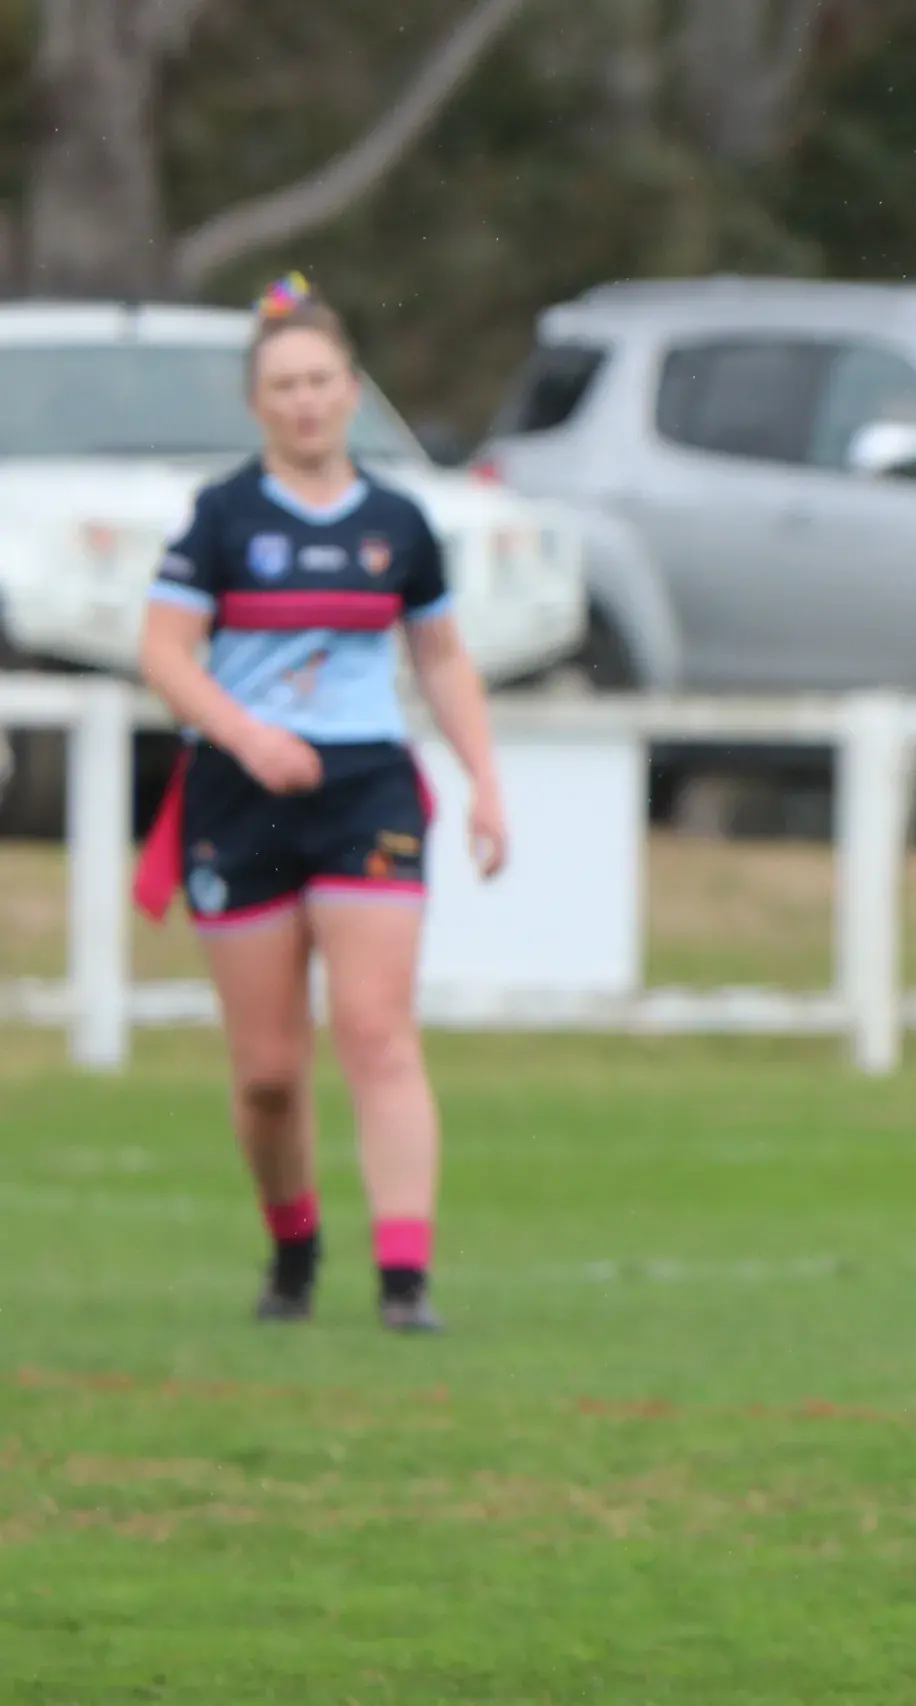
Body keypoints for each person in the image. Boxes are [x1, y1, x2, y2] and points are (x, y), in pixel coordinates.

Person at [134, 275, 508, 1334]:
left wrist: (484, 778)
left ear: (352, 390)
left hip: (366, 789)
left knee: (378, 1029)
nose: (305, 401)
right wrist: (247, 733)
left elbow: (440, 656)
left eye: (322, 381)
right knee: (265, 1072)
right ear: (259, 403)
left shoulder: (398, 522)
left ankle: (404, 1280)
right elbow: (164, 650)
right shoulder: (220, 517)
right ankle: (293, 1246)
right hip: (237, 792)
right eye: (284, 385)